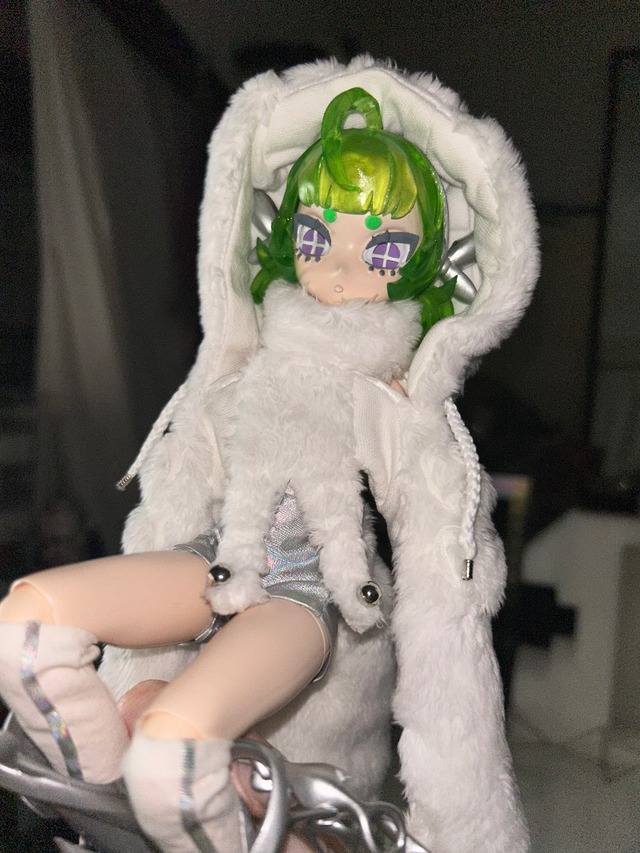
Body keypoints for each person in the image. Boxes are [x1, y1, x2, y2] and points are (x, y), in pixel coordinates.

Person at [0, 86, 453, 852]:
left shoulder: (390, 394)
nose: (342, 265)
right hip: (218, 557)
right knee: (25, 624)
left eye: (381, 248)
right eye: (316, 234)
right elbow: (186, 484)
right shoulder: (245, 367)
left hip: (307, 588)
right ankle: (111, 804)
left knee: (176, 744)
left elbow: (439, 567)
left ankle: (186, 798)